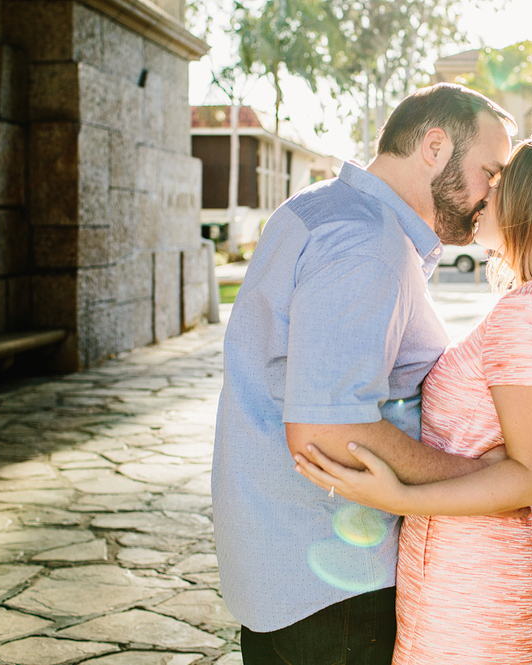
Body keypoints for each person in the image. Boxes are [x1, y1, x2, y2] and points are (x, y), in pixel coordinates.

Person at [294, 135, 532, 664]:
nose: (485, 193)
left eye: (501, 183)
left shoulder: (530, 313)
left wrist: (399, 498)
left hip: (474, 583)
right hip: (507, 568)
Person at [212, 82, 515, 665]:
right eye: (490, 171)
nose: (493, 193)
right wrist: (474, 476)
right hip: (333, 589)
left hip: (288, 566)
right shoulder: (367, 242)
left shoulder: (320, 208)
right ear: (434, 146)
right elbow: (328, 431)